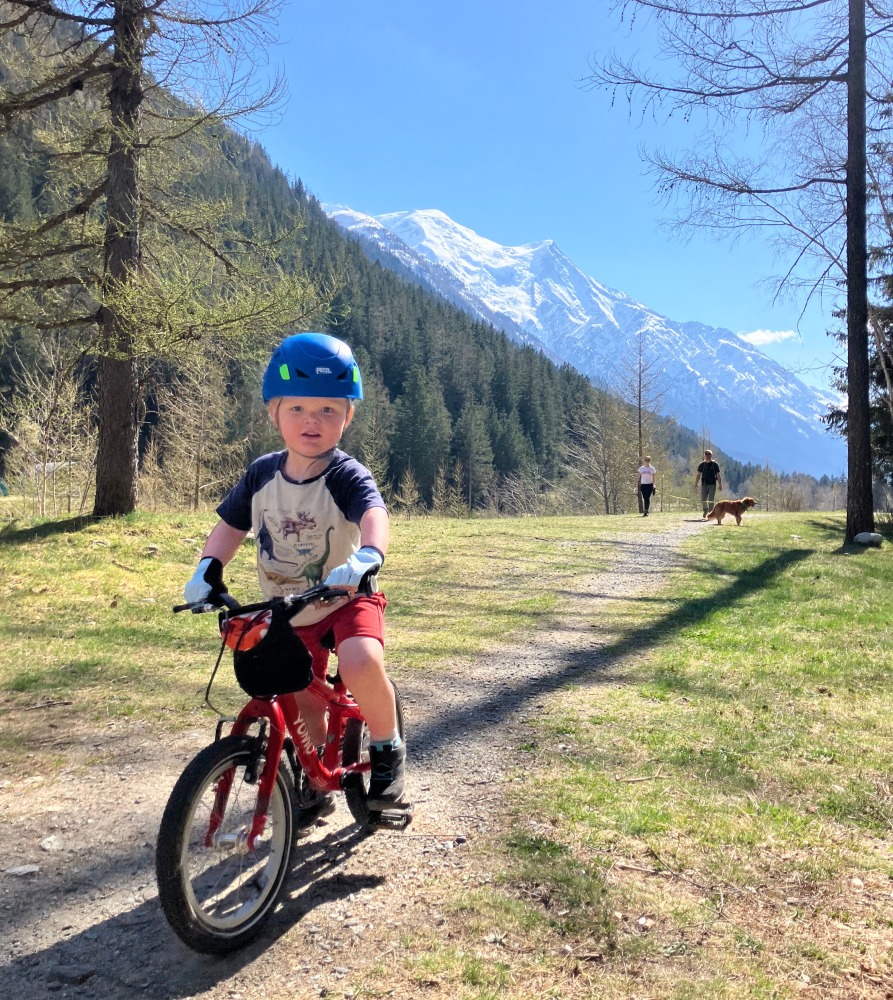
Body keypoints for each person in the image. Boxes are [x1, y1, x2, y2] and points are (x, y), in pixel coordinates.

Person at [183, 332, 409, 815]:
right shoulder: (262, 473)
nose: (312, 421)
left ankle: (388, 749)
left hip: (347, 596)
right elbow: (229, 526)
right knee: (301, 696)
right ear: (274, 412)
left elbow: (374, 513)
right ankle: (315, 777)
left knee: (361, 661)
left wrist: (370, 554)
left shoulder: (346, 475)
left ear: (348, 417)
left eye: (328, 410)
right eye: (298, 409)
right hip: (288, 608)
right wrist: (208, 567)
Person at [694, 449, 722, 518]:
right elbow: (698, 475)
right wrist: (696, 483)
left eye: (709, 454)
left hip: (712, 484)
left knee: (711, 499)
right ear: (704, 455)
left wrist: (720, 484)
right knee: (703, 499)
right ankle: (705, 510)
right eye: (706, 454)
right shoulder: (701, 465)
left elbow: (718, 475)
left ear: (711, 456)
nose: (707, 456)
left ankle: (710, 513)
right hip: (704, 484)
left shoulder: (715, 465)